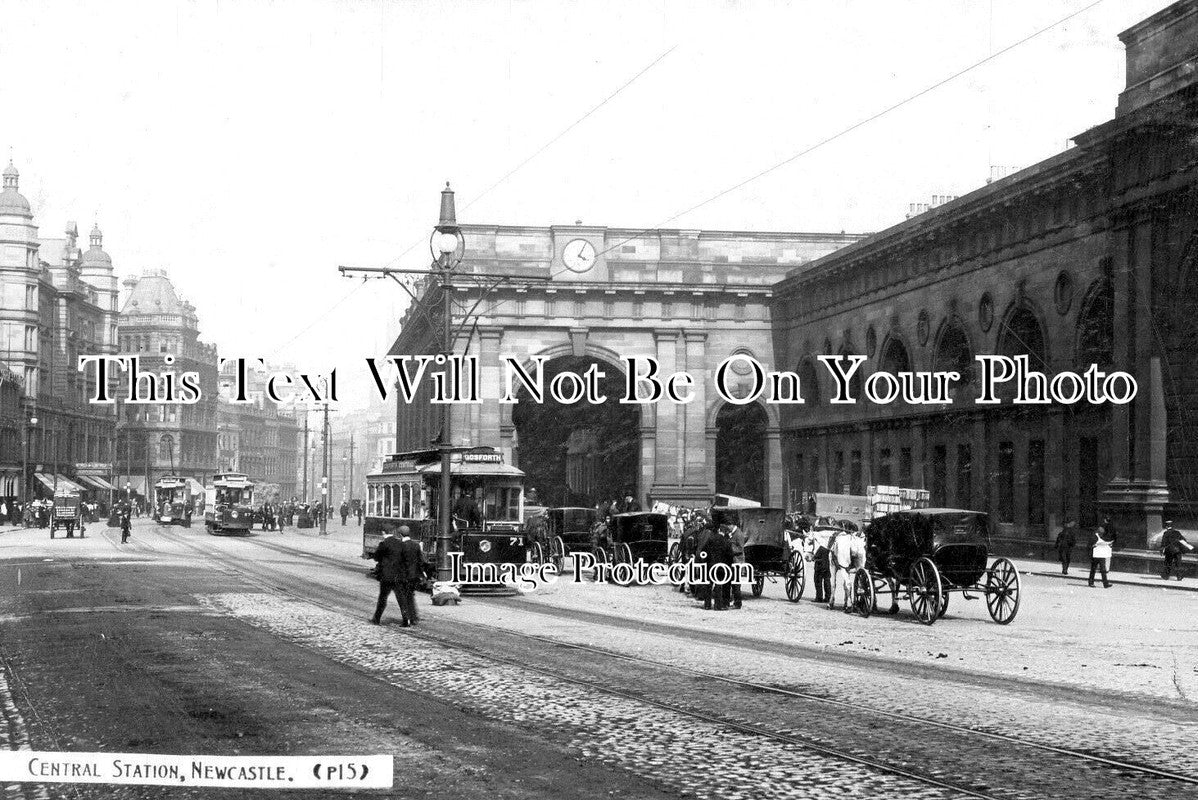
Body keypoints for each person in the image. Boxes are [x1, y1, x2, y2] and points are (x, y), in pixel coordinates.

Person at [371, 525, 417, 626]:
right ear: (392, 532)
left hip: (386, 576)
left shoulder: (383, 544)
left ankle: (376, 619)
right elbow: (405, 558)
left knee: (383, 598)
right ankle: (406, 620)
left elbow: (376, 557)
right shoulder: (400, 543)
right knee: (401, 598)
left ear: (383, 532)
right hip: (399, 576)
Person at [702, 524, 734, 611]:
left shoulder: (710, 539)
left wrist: (707, 561)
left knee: (708, 585)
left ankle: (707, 604)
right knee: (719, 585)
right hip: (721, 567)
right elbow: (730, 555)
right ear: (725, 532)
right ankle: (718, 605)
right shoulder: (726, 541)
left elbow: (704, 551)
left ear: (719, 530)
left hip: (710, 565)